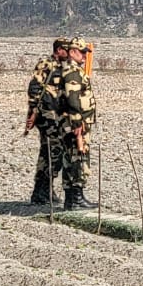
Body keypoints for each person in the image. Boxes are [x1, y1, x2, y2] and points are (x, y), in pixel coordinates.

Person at [24, 37, 70, 205]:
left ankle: (44, 190)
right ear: (58, 50)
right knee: (51, 152)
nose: (69, 52)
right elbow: (34, 88)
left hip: (57, 117)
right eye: (66, 49)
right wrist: (34, 111)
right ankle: (42, 192)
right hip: (46, 117)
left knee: (51, 154)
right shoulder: (46, 64)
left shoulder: (65, 67)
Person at [58, 37, 97, 209]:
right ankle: (76, 198)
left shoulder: (71, 70)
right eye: (81, 52)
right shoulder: (73, 72)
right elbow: (73, 100)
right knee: (77, 158)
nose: (84, 56)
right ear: (73, 52)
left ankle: (71, 199)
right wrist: (77, 123)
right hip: (76, 124)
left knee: (71, 158)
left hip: (74, 123)